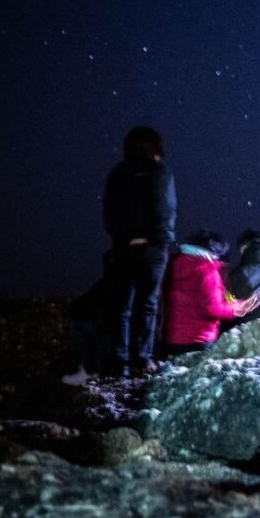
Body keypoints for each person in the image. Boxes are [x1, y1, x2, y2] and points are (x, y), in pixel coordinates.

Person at [102, 126, 176, 376]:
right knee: (147, 303)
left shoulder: (117, 174)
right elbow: (165, 208)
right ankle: (141, 360)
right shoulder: (159, 172)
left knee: (121, 307)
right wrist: (163, 242)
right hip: (151, 248)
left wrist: (119, 238)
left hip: (122, 248)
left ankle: (118, 362)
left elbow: (109, 214)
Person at [164, 230, 260, 356]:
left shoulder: (176, 263)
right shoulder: (207, 270)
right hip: (198, 340)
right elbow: (213, 308)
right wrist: (237, 308)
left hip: (172, 338)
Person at [61, 252, 115, 386]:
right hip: (87, 312)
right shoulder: (110, 281)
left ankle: (92, 371)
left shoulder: (111, 281)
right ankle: (91, 369)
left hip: (90, 314)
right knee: (82, 316)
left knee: (84, 319)